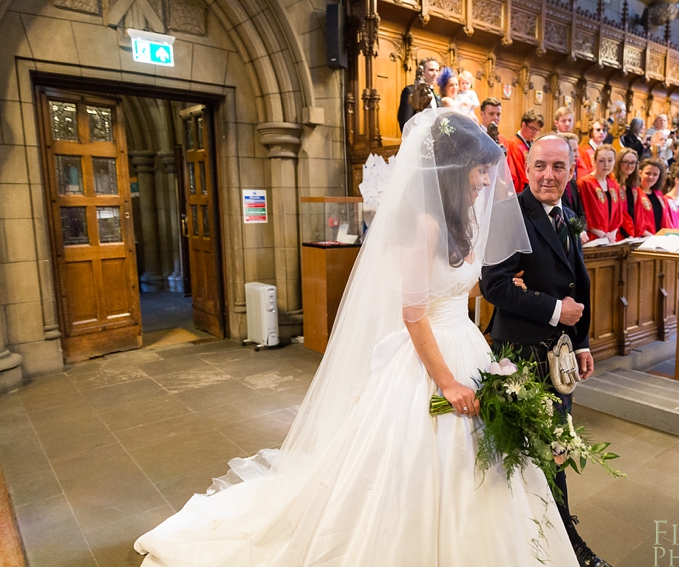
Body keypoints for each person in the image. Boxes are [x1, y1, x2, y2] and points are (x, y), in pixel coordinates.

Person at [134, 110, 580, 566]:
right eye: (481, 170)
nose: (488, 180)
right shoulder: (424, 225)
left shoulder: (459, 218)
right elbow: (414, 315)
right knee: (418, 462)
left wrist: (495, 289)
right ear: (454, 168)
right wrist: (446, 382)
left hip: (464, 341)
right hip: (433, 357)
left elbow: (448, 285)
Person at [480, 134, 610, 567]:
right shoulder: (508, 214)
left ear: (571, 170)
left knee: (555, 448)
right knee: (530, 451)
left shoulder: (568, 215)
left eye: (557, 167)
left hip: (560, 355)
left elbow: (578, 285)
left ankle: (553, 539)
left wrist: (583, 341)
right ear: (527, 167)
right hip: (520, 352)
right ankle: (559, 546)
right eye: (540, 166)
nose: (547, 175)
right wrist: (556, 311)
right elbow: (494, 286)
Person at [578, 144, 629, 242]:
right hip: (592, 237)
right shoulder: (584, 183)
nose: (606, 164)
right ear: (594, 161)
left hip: (611, 238)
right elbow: (584, 213)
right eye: (602, 160)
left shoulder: (614, 185)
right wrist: (603, 235)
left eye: (610, 160)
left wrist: (612, 233)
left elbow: (618, 214)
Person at [505, 109, 544, 193]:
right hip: (521, 188)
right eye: (532, 128)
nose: (535, 133)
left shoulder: (534, 143)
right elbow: (516, 172)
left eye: (537, 130)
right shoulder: (513, 144)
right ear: (523, 125)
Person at [398, 58, 441, 131]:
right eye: (431, 70)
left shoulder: (437, 96)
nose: (435, 74)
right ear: (422, 72)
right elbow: (405, 122)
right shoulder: (410, 91)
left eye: (437, 70)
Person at [631, 158, 670, 236]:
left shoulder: (659, 195)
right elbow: (634, 219)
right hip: (642, 237)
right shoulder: (634, 192)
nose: (651, 177)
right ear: (640, 173)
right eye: (648, 173)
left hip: (658, 237)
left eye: (655, 174)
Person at [615, 148, 641, 235]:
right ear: (618, 162)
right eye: (625, 162)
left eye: (633, 162)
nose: (629, 165)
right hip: (618, 233)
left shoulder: (633, 187)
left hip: (631, 234)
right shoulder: (613, 184)